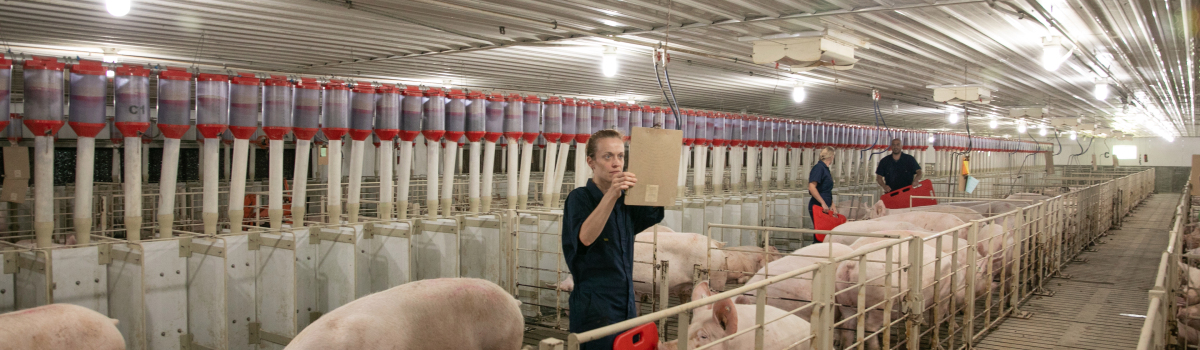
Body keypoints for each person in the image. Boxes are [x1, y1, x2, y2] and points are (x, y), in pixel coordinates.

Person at [561, 129, 665, 350]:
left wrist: (653, 175)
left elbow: (652, 211)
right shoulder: (579, 198)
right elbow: (585, 238)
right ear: (591, 161)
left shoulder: (624, 201)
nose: (616, 163)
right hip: (594, 307)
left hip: (625, 301)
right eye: (607, 156)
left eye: (620, 156)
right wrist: (611, 195)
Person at [808, 146, 837, 242]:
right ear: (831, 156)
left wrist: (832, 204)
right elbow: (812, 187)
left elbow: (826, 189)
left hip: (825, 206)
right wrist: (823, 203)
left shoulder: (825, 169)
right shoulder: (819, 168)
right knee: (820, 234)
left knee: (825, 233)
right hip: (818, 206)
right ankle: (816, 253)